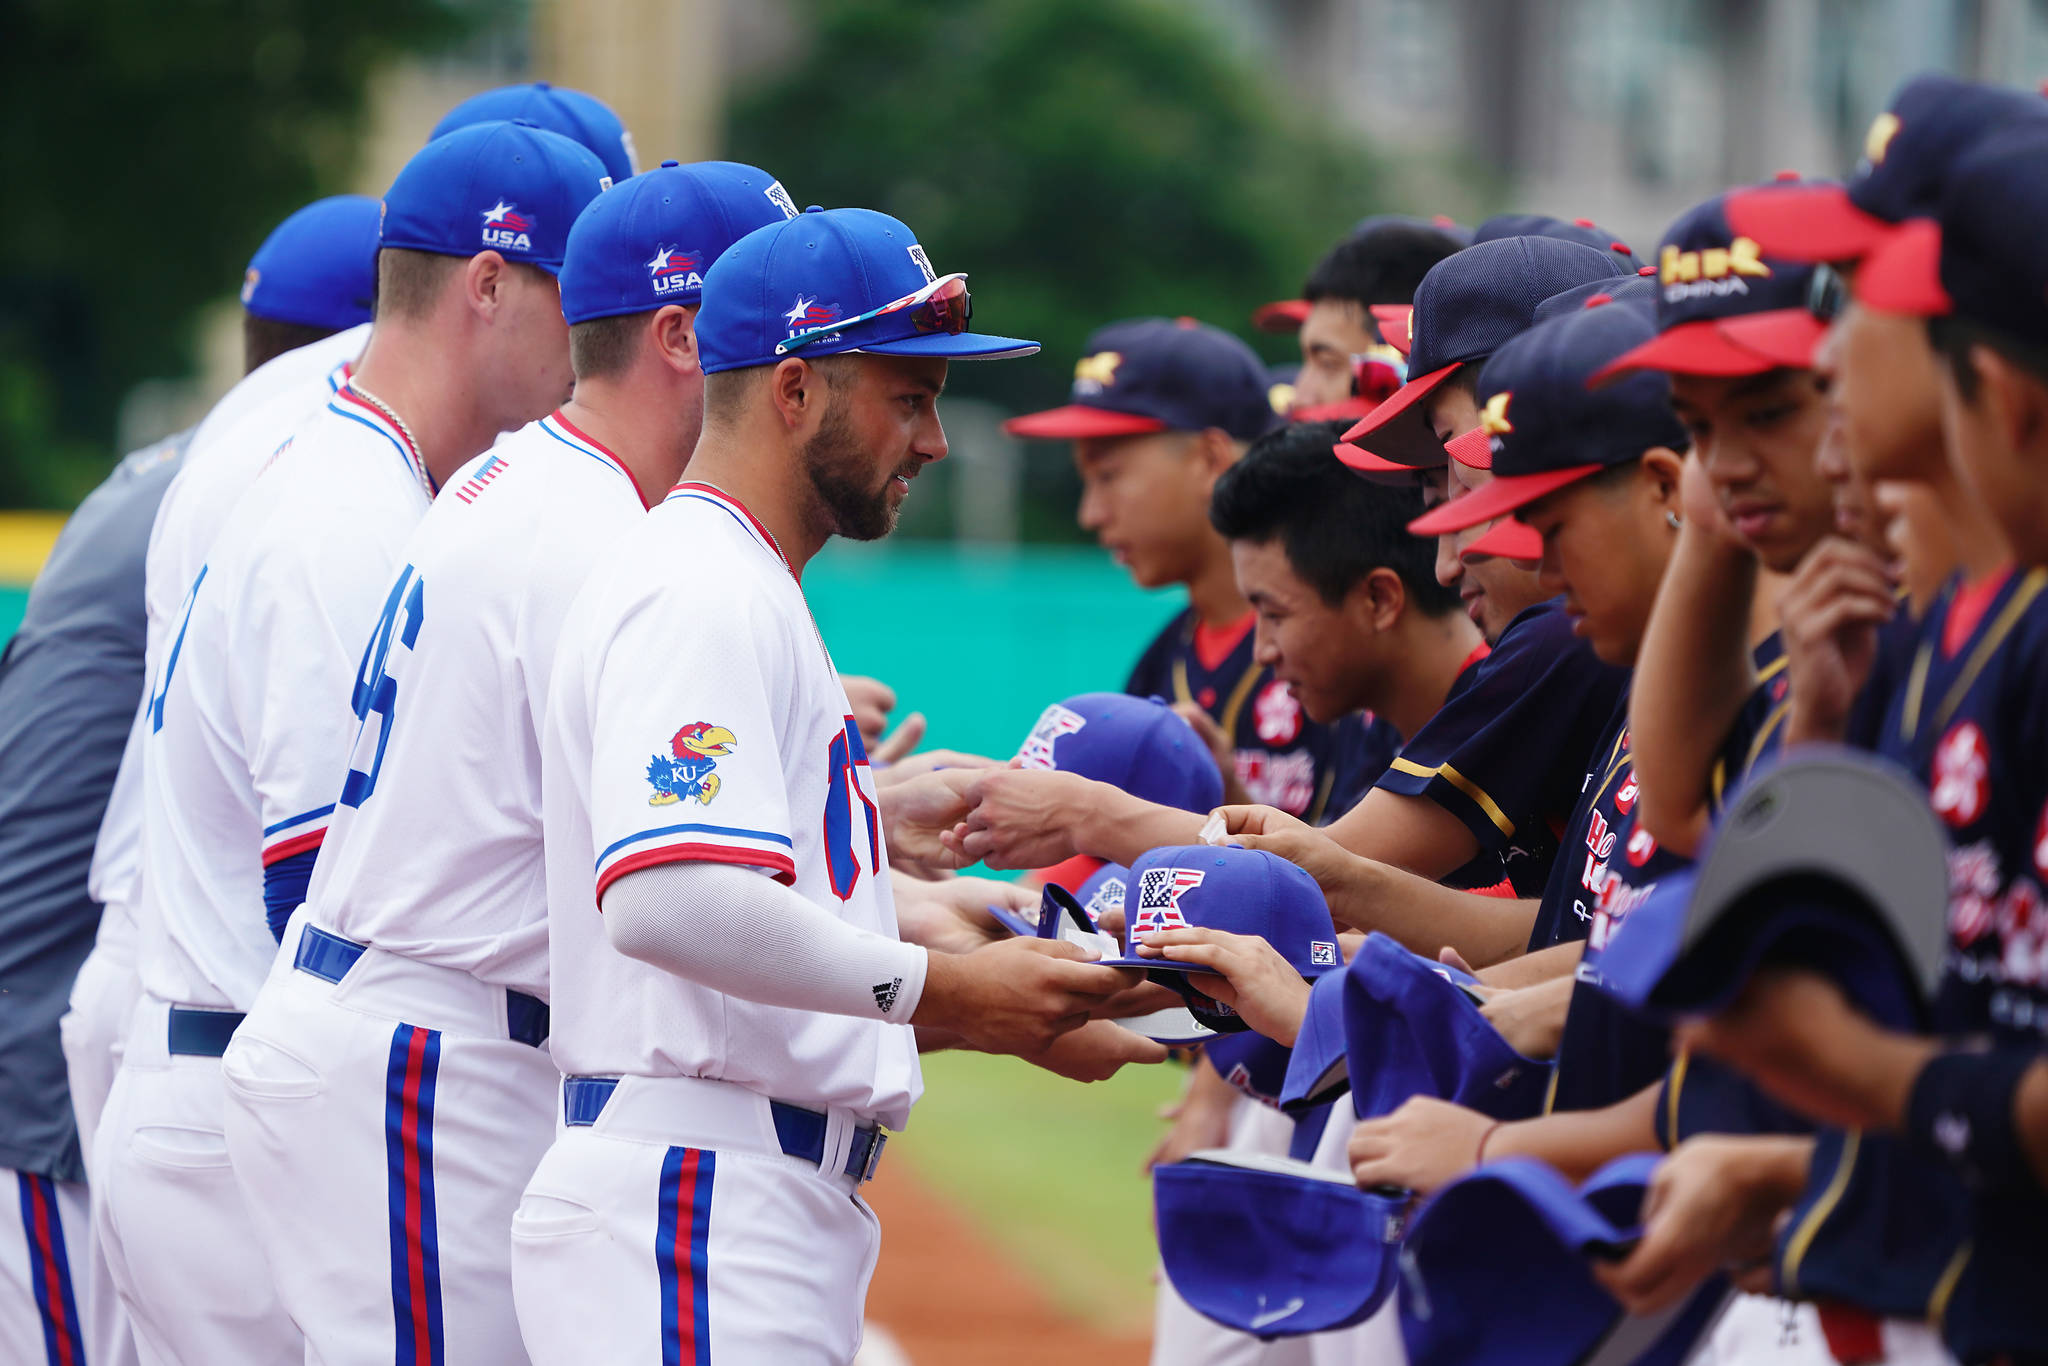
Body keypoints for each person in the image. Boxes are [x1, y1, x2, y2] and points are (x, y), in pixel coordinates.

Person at [511, 206, 1136, 1365]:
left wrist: (997, 970)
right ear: (793, 390)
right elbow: (666, 900)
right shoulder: (699, 586)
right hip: (694, 1207)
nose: (934, 440)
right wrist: (956, 991)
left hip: (722, 1198)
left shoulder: (733, 578)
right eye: (909, 397)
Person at [215, 159, 796, 1366]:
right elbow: (665, 876)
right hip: (422, 1051)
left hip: (409, 1035)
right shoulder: (594, 533)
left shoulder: (525, 476)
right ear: (684, 336)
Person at [93, 120, 611, 1363]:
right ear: (487, 285)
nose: (595, 341)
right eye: (576, 297)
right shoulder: (343, 520)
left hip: (225, 1084)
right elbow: (331, 899)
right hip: (239, 1101)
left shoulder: (353, 475)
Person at [1003, 316, 1386, 826]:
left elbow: (1359, 871)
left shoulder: (1340, 641)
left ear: (1209, 458)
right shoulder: (1160, 660)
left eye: (1108, 475)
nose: (1090, 514)